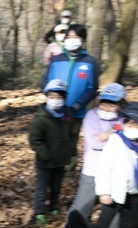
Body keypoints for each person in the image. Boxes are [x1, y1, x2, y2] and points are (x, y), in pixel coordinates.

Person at [73, 103, 138, 228]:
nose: (135, 128)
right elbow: (104, 169)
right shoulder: (116, 142)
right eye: (131, 124)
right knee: (101, 225)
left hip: (135, 193)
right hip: (115, 193)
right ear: (124, 124)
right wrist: (104, 192)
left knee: (127, 226)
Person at [50, 83, 127, 228]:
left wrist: (109, 135)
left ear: (121, 104)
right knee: (84, 201)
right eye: (105, 103)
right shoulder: (92, 116)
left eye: (113, 104)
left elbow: (129, 142)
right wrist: (117, 135)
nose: (108, 107)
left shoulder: (125, 118)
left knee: (115, 202)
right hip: (93, 168)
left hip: (117, 169)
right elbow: (95, 142)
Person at [42, 24, 99, 177]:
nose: (72, 40)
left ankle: (69, 171)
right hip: (54, 109)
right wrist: (51, 99)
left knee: (71, 141)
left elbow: (93, 88)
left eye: (76, 37)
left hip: (76, 111)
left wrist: (77, 106)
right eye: (69, 37)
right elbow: (45, 82)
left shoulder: (90, 61)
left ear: (83, 40)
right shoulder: (56, 60)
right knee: (51, 138)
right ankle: (51, 168)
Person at [29, 80, 76, 225]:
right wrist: (46, 155)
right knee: (42, 189)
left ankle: (54, 206)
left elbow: (72, 133)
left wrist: (70, 150)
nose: (56, 100)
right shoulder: (41, 119)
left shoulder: (67, 116)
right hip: (45, 162)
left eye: (59, 97)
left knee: (57, 186)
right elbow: (35, 140)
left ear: (64, 98)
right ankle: (39, 213)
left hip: (61, 160)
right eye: (53, 96)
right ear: (47, 97)